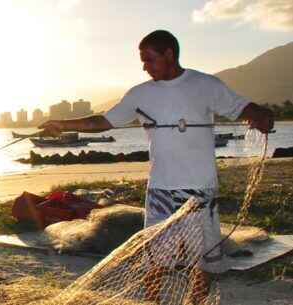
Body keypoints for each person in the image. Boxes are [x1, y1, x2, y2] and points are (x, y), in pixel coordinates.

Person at [40, 30, 273, 304]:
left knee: (203, 257)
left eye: (149, 59)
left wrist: (261, 115)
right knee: (155, 256)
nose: (144, 66)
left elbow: (243, 107)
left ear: (169, 55)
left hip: (201, 187)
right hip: (161, 187)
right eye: (143, 61)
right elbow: (102, 122)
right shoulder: (141, 94)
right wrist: (62, 125)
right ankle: (154, 302)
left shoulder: (206, 85)